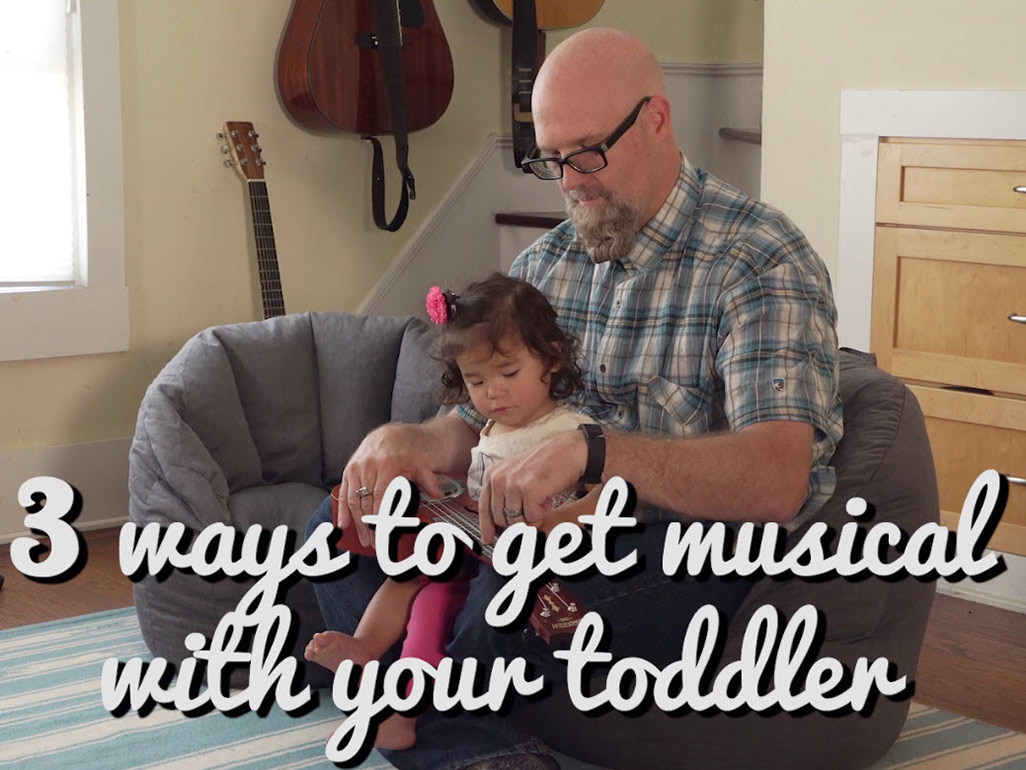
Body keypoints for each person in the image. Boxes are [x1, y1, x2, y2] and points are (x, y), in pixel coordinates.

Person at [306, 27, 843, 770]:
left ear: (657, 118)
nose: (571, 181)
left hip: (686, 556)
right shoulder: (548, 262)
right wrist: (412, 443)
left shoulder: (759, 259)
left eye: (587, 153)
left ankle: (430, 721)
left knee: (502, 590)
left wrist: (601, 453)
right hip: (537, 536)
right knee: (338, 527)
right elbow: (476, 419)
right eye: (552, 159)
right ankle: (477, 740)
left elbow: (780, 478)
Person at [305, 273, 598, 751]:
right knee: (406, 577)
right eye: (476, 381)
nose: (494, 394)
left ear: (552, 357)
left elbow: (604, 498)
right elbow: (473, 476)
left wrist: (552, 524)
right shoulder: (490, 426)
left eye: (508, 374)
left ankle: (403, 711)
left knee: (436, 608)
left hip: (523, 566)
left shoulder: (568, 429)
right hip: (472, 542)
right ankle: (363, 650)